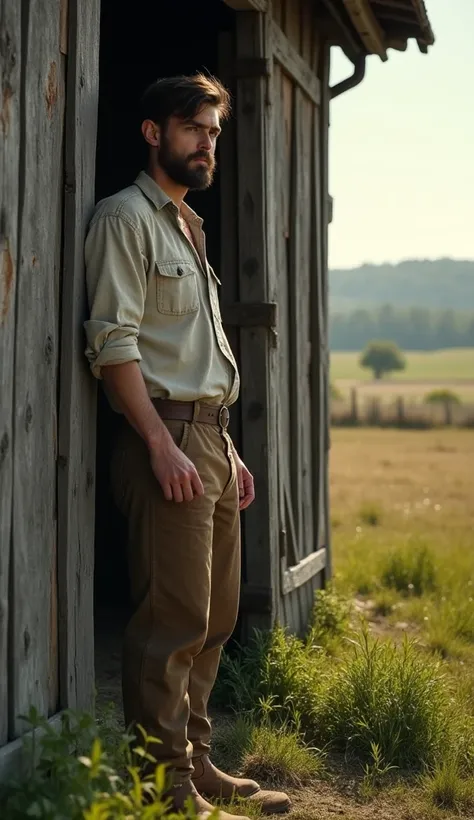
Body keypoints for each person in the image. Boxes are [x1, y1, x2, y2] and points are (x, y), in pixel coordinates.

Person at [84, 73, 290, 818]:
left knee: (215, 618)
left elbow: (198, 350)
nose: (207, 142)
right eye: (194, 128)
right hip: (161, 437)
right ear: (154, 132)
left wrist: (222, 445)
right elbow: (114, 344)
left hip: (209, 437)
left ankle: (198, 764)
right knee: (170, 621)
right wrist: (160, 443)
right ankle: (161, 789)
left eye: (213, 131)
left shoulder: (188, 226)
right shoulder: (124, 219)